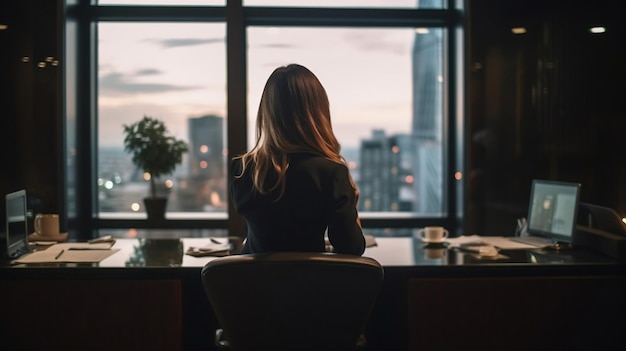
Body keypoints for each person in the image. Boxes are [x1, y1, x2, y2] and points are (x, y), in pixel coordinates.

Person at [231, 63, 365, 255]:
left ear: (268, 113)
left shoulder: (242, 169)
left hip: (254, 282)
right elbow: (351, 248)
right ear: (319, 112)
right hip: (310, 283)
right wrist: (351, 206)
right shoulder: (331, 173)